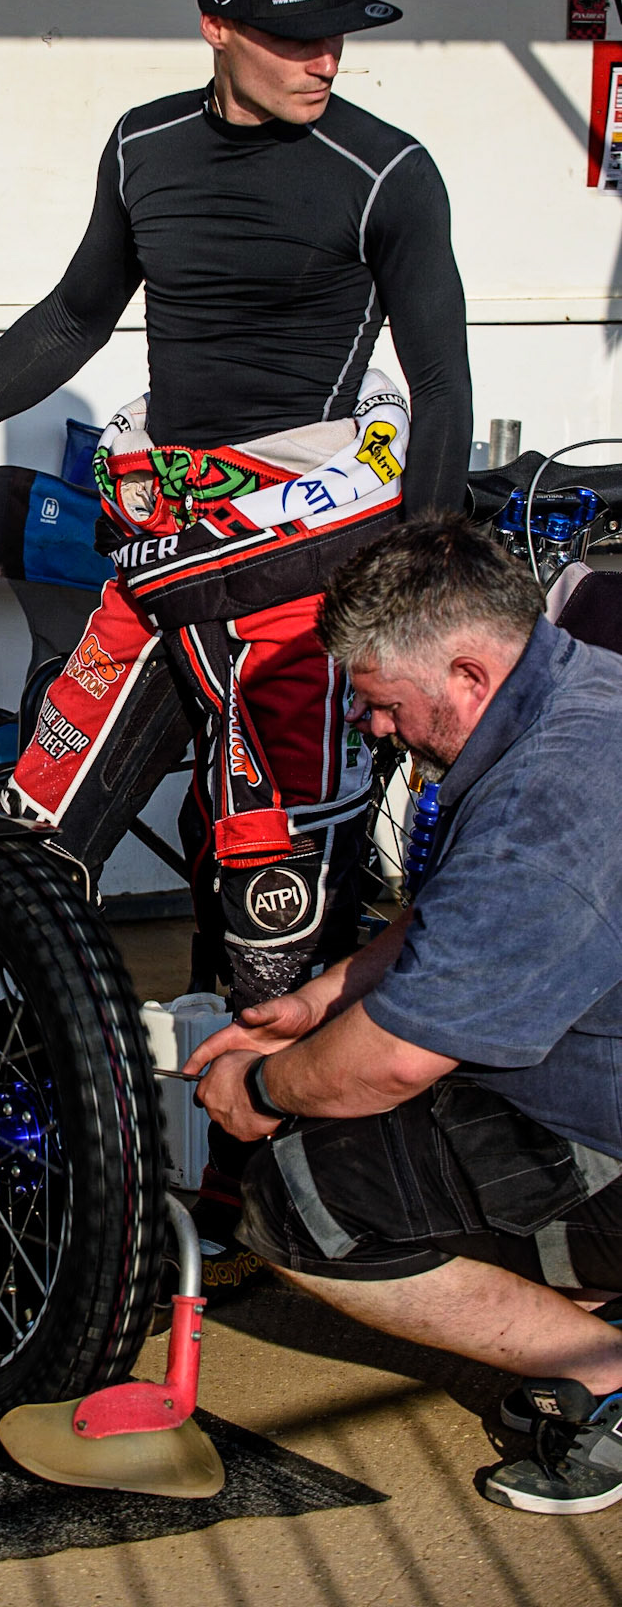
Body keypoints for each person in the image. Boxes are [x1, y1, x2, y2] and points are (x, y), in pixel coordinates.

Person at [0, 0, 472, 1245]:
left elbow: (445, 404)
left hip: (300, 602)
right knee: (23, 850)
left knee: (272, 932)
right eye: (289, 37)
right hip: (154, 576)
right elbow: (71, 315)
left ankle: (262, 1226)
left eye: (335, 34)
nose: (319, 61)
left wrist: (426, 604)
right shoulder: (142, 146)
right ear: (213, 25)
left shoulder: (386, 171)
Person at [187, 514, 622, 1514]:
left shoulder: (542, 806)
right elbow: (447, 908)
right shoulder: (579, 683)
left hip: (603, 1127)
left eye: (383, 705)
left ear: (467, 671)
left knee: (299, 1195)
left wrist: (256, 1085)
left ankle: (605, 1376)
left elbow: (386, 1064)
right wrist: (313, 998)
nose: (374, 730)